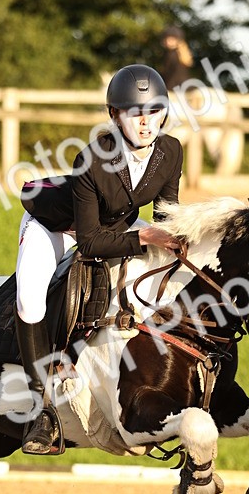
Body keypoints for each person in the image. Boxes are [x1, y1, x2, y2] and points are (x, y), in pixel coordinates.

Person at [15, 63, 184, 455]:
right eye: (135, 113)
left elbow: (166, 217)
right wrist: (145, 237)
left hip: (118, 223)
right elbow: (89, 243)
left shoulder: (171, 151)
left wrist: (176, 240)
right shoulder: (92, 158)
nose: (146, 123)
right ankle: (40, 409)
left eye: (154, 111)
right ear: (115, 115)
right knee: (29, 299)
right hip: (58, 226)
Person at [159, 25, 194, 92]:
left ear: (177, 40)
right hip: (183, 87)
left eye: (171, 39)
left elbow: (169, 74)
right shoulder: (178, 53)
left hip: (174, 87)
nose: (168, 41)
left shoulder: (172, 55)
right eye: (167, 39)